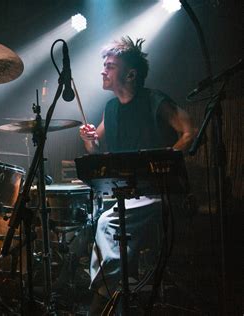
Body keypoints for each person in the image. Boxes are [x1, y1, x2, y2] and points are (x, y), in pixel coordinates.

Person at [79, 37, 196, 314]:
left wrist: (165, 164)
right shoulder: (111, 109)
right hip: (127, 193)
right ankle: (114, 294)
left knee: (107, 224)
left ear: (130, 74)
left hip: (157, 193)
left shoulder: (154, 100)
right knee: (94, 220)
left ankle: (104, 298)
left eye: (110, 66)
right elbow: (95, 149)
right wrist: (88, 139)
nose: (103, 71)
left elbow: (188, 130)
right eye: (103, 65)